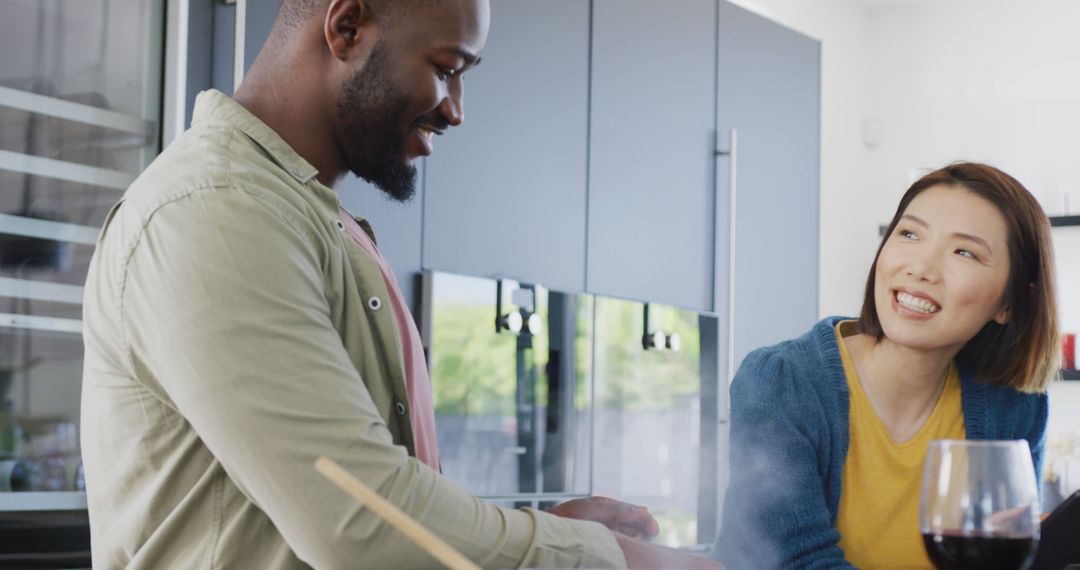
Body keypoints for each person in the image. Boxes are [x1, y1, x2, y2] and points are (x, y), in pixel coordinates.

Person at [79, 0, 722, 568]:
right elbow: (358, 524)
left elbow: (363, 504)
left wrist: (537, 534)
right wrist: (619, 562)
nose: (457, 110)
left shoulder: (309, 219)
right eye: (446, 69)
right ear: (347, 26)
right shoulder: (216, 209)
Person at [712, 162, 1059, 568]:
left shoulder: (1013, 405)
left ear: (1011, 302)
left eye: (964, 251)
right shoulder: (781, 382)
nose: (920, 268)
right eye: (909, 234)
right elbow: (793, 562)